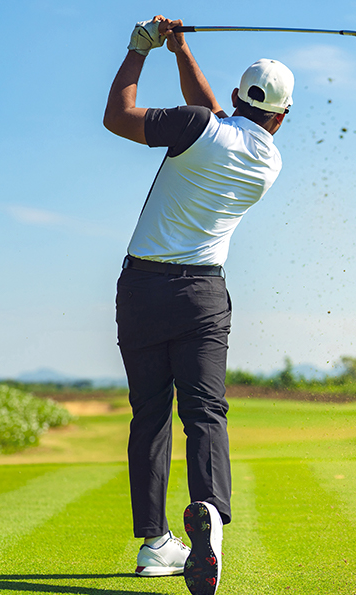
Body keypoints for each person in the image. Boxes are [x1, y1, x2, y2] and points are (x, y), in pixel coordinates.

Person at [103, 15, 293, 595]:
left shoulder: (196, 126)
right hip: (203, 297)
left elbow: (118, 117)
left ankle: (155, 542)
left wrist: (140, 49)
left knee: (150, 415)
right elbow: (215, 118)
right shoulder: (268, 162)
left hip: (142, 289)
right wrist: (182, 51)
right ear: (281, 117)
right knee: (205, 412)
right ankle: (208, 508)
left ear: (238, 96)